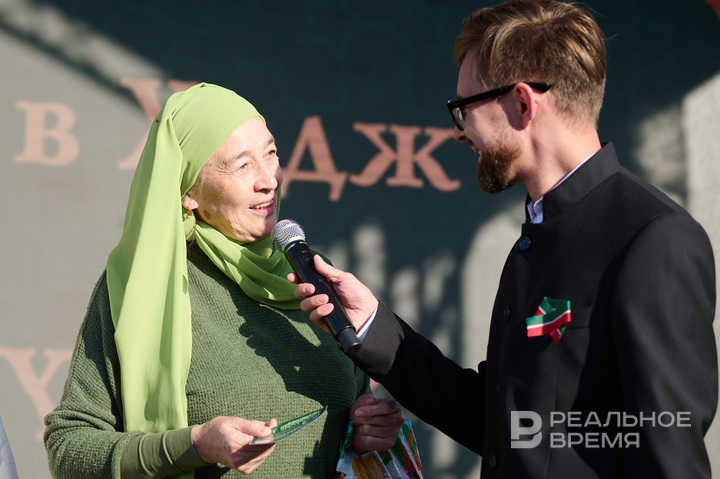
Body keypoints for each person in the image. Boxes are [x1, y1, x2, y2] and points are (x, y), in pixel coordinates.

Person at [292, 1, 718, 478]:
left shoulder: (655, 238)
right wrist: (372, 323)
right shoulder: (538, 234)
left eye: (464, 109)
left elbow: (669, 454)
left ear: (522, 103)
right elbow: (504, 425)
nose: (459, 133)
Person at [43, 82, 404, 479]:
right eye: (241, 165)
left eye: (271, 153)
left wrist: (363, 434)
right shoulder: (143, 285)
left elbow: (349, 417)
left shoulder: (313, 274)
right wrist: (195, 445)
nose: (269, 179)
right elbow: (69, 448)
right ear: (188, 192)